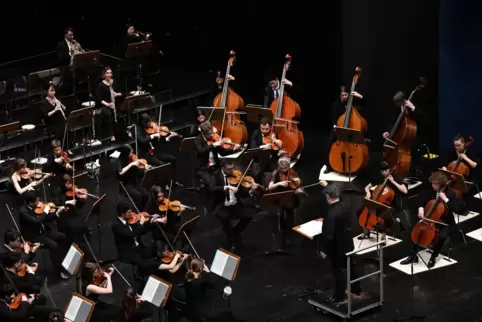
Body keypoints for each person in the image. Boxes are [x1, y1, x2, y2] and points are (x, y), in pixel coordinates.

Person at [401, 171, 464, 268]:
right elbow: (421, 198)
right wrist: (421, 208)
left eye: (435, 184)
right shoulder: (431, 190)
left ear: (441, 184)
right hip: (430, 219)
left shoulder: (450, 193)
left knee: (442, 236)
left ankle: (433, 257)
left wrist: (446, 199)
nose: (433, 186)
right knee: (417, 230)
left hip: (445, 222)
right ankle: (413, 255)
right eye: (432, 183)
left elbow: (458, 209)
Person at [320, 184, 363, 302]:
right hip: (348, 242)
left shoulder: (331, 213)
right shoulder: (347, 206)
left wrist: (324, 250)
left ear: (328, 197)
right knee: (350, 266)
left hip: (337, 247)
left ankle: (338, 296)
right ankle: (356, 288)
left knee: (338, 270)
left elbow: (329, 235)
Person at [18, 192, 70, 280]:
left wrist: (57, 212)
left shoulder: (35, 208)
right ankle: (59, 271)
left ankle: (58, 258)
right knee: (54, 245)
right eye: (36, 202)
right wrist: (45, 211)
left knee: (63, 237)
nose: (39, 203)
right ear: (30, 203)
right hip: (34, 236)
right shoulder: (23, 212)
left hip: (43, 231)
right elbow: (36, 221)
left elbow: (45, 218)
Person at [207, 159, 255, 251]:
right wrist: (227, 187)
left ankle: (234, 232)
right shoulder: (216, 175)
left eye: (233, 168)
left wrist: (251, 190)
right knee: (225, 219)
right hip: (221, 206)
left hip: (235, 204)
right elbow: (211, 188)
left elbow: (243, 193)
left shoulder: (236, 175)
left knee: (249, 215)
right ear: (223, 168)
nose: (232, 171)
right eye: (229, 169)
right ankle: (231, 241)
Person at [111, 199, 167, 277]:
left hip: (136, 247)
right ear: (122, 214)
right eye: (129, 213)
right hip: (127, 252)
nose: (131, 214)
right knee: (144, 263)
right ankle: (165, 268)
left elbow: (141, 230)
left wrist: (153, 220)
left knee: (153, 251)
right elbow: (131, 234)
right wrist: (140, 223)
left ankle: (149, 273)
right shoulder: (116, 225)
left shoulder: (129, 220)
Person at [361, 161, 408, 238]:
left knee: (384, 214)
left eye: (386, 170)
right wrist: (368, 193)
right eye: (382, 171)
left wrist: (393, 182)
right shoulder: (380, 177)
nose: (385, 172)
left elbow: (405, 191)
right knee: (367, 209)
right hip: (380, 201)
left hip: (392, 203)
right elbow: (366, 187)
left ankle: (384, 234)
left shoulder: (395, 177)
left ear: (389, 169)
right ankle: (367, 229)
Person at [267, 157, 304, 248]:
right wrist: (279, 184)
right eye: (281, 168)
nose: (284, 170)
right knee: (281, 216)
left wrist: (297, 190)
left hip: (290, 196)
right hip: (280, 197)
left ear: (288, 166)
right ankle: (282, 234)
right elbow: (270, 187)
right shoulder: (275, 173)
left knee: (290, 216)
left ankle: (289, 233)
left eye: (286, 168)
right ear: (278, 166)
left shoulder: (292, 172)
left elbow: (297, 185)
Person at [441, 134, 479, 215]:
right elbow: (444, 162)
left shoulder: (468, 153)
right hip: (453, 178)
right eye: (455, 145)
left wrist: (465, 158)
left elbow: (475, 165)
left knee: (462, 190)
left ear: (464, 144)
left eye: (459, 145)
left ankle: (463, 208)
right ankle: (449, 205)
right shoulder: (452, 152)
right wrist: (444, 168)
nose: (456, 147)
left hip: (467, 179)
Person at [194, 121, 240, 186]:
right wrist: (214, 145)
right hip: (203, 169)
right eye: (208, 134)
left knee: (223, 180)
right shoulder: (197, 139)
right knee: (212, 183)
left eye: (211, 133)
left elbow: (223, 153)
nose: (211, 135)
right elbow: (200, 151)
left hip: (215, 166)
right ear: (203, 133)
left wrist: (233, 150)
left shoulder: (214, 138)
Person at [145, 185, 183, 253]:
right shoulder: (150, 206)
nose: (161, 198)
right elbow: (148, 222)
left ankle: (178, 252)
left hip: (168, 227)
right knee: (173, 238)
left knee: (179, 234)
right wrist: (159, 220)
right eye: (159, 197)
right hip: (159, 230)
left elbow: (175, 220)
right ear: (154, 197)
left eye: (162, 196)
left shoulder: (167, 203)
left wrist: (180, 212)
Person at [327, 86, 364, 150]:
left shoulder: (353, 102)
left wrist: (360, 96)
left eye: (345, 95)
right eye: (342, 95)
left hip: (351, 127)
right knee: (330, 143)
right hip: (339, 127)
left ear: (348, 94)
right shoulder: (337, 104)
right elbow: (334, 117)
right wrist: (335, 125)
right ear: (340, 95)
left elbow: (364, 104)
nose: (344, 97)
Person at [117, 144, 149, 210]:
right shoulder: (119, 161)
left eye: (132, 152)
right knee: (138, 196)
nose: (132, 154)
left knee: (145, 194)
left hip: (134, 181)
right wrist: (131, 164)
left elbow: (137, 173)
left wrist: (144, 169)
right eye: (130, 152)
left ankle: (142, 210)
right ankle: (136, 212)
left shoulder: (132, 159)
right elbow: (120, 172)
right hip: (125, 183)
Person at [96, 66, 122, 141]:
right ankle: (112, 134)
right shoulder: (100, 85)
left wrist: (117, 94)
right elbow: (99, 99)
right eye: (107, 73)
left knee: (120, 110)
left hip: (114, 104)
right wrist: (108, 104)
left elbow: (122, 92)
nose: (109, 75)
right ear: (104, 74)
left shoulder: (115, 82)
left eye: (110, 73)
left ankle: (120, 131)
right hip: (105, 106)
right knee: (109, 114)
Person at [44, 140, 72, 204]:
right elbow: (46, 169)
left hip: (64, 176)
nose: (58, 151)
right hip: (55, 178)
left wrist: (68, 168)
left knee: (70, 187)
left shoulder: (64, 155)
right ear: (53, 150)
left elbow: (68, 170)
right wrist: (54, 161)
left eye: (59, 149)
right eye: (56, 150)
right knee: (55, 194)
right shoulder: (50, 157)